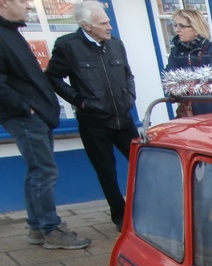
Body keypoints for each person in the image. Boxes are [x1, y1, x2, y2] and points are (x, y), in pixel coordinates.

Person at [0, 0, 89, 249]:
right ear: (4, 3)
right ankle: (51, 229)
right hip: (25, 117)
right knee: (45, 172)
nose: (27, 5)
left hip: (35, 114)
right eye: (21, 1)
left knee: (37, 171)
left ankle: (38, 227)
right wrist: (25, 107)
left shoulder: (10, 32)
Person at [46, 0, 137, 231]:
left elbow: (128, 74)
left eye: (108, 21)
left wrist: (129, 97)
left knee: (142, 164)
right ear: (87, 26)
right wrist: (81, 101)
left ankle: (146, 207)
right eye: (103, 23)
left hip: (123, 119)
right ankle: (120, 215)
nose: (109, 27)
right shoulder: (68, 46)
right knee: (106, 171)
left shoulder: (115, 44)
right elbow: (53, 78)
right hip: (94, 123)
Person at [165, 9, 212, 117]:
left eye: (181, 26)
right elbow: (169, 80)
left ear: (196, 29)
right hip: (189, 112)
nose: (177, 30)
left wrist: (182, 81)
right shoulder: (176, 52)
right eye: (175, 25)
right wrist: (196, 79)